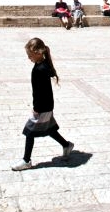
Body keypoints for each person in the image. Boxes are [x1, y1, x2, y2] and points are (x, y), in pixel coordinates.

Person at [11, 37, 74, 170]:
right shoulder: (43, 65)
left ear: (38, 52)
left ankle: (26, 160)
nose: (29, 58)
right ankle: (66, 145)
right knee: (49, 129)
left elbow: (40, 92)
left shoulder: (40, 69)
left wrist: (37, 108)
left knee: (29, 131)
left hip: (42, 106)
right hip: (47, 105)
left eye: (30, 55)